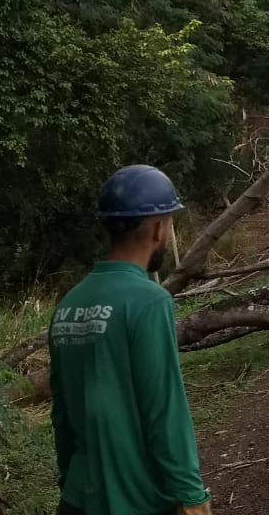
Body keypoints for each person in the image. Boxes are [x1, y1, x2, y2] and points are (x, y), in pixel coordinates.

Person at [49, 165, 212, 515]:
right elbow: (164, 409)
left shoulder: (68, 305)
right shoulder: (149, 301)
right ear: (159, 228)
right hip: (137, 501)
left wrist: (69, 482)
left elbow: (61, 415)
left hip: (77, 499)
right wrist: (191, 495)